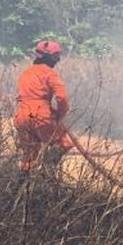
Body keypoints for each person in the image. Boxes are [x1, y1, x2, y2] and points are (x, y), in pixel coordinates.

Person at [14, 40, 73, 172]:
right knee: (63, 144)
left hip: (22, 116)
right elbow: (62, 97)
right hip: (41, 115)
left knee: (29, 158)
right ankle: (46, 174)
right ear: (50, 58)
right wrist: (60, 114)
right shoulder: (50, 73)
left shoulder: (26, 73)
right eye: (56, 56)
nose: (58, 60)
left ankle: (23, 181)